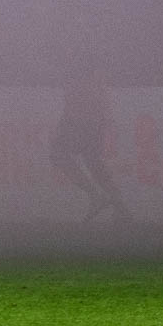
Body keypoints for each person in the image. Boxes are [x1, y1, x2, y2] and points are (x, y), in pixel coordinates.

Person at [49, 52, 130, 223]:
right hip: (91, 122)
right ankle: (121, 207)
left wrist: (66, 124)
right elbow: (98, 97)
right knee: (94, 163)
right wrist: (104, 121)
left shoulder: (80, 78)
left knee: (59, 155)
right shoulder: (93, 78)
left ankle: (96, 196)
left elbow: (77, 102)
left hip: (81, 121)